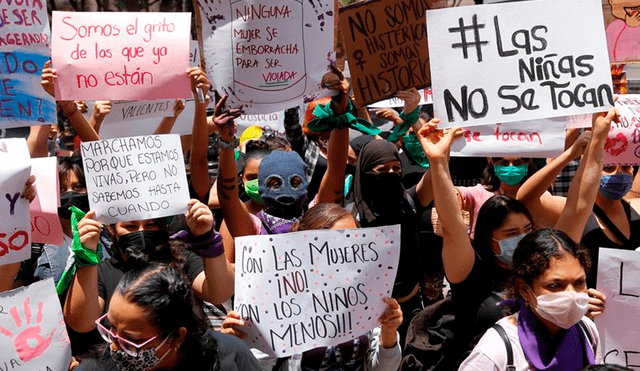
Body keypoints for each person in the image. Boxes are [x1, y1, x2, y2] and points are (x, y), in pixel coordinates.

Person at [415, 108, 615, 366]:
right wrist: (438, 162)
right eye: (510, 233)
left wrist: (598, 137)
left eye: (527, 230)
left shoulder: (544, 262)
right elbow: (453, 227)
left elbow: (579, 207)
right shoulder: (470, 274)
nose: (522, 239)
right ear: (487, 238)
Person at [222, 203, 403, 371]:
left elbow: (385, 368)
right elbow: (259, 367)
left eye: (355, 239)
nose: (348, 250)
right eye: (337, 241)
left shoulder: (368, 291)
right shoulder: (279, 296)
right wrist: (234, 345)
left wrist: (389, 333)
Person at [457, 229, 600, 371]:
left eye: (579, 282)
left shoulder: (587, 332)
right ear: (524, 289)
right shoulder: (496, 350)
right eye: (555, 285)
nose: (571, 295)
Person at [75, 263, 260, 371]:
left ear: (177, 336)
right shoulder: (97, 367)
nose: (115, 347)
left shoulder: (229, 357)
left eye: (132, 340)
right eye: (112, 329)